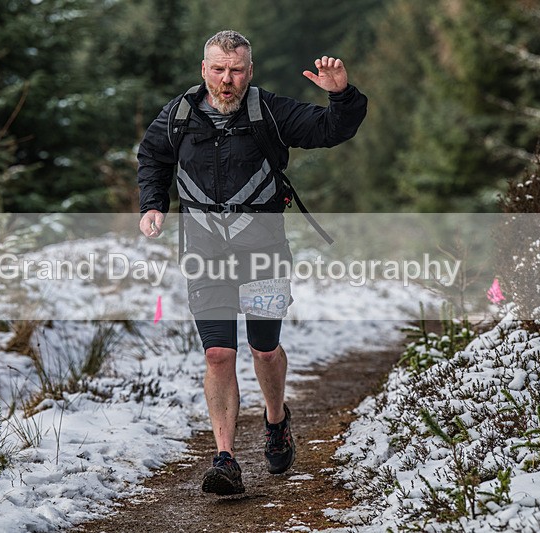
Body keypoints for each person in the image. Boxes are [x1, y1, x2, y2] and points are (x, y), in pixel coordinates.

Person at [137, 30, 367, 496]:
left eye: (237, 70)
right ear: (204, 70)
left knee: (264, 349)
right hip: (205, 254)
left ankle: (276, 420)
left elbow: (331, 130)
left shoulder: (269, 111)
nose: (227, 79)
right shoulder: (178, 114)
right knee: (218, 353)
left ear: (249, 71)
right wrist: (152, 203)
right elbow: (152, 158)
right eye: (219, 69)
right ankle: (225, 458)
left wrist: (341, 94)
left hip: (263, 253)